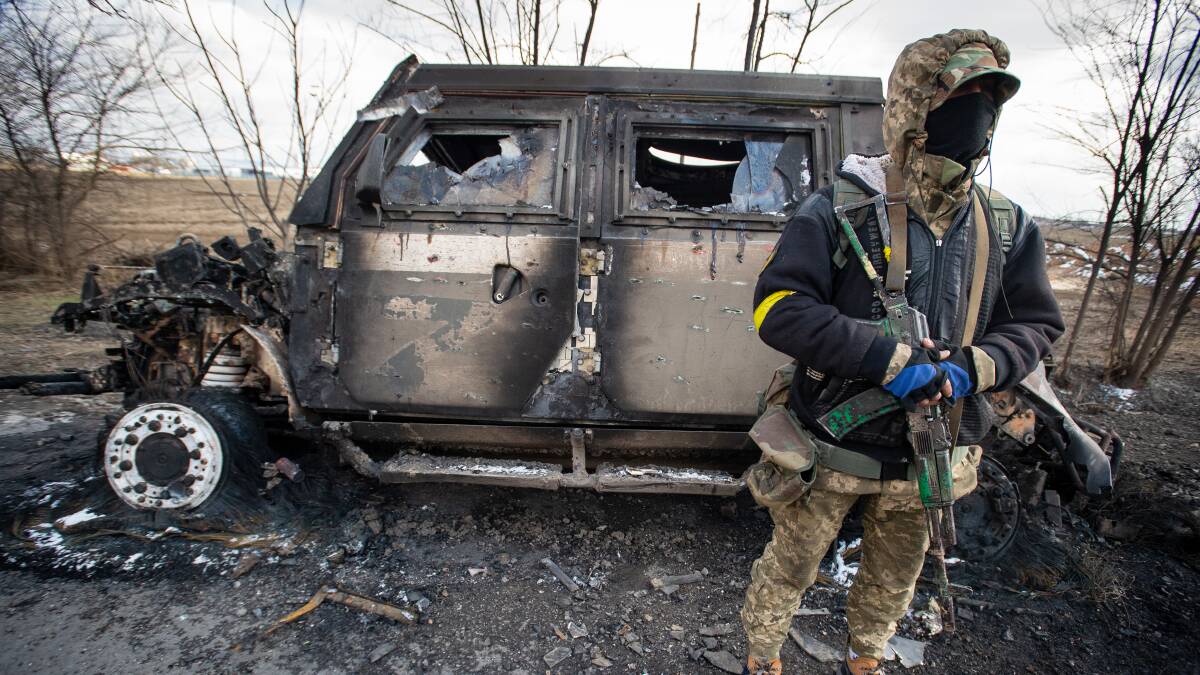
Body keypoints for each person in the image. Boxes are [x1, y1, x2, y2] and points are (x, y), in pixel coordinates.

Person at [739, 29, 1065, 675]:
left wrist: (971, 367)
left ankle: (866, 658)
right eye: (961, 93)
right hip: (834, 444)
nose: (978, 112)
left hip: (932, 454)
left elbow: (1034, 324)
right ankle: (763, 654)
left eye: (989, 98)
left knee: (896, 576)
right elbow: (779, 309)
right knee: (793, 564)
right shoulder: (840, 207)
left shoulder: (1005, 225)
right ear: (917, 104)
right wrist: (889, 357)